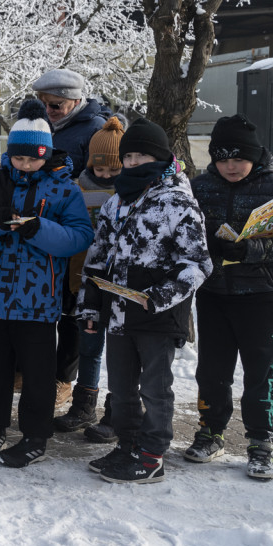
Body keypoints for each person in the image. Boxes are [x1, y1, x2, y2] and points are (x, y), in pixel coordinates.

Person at [78, 118, 212, 484]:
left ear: (160, 156)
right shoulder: (116, 201)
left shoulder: (179, 203)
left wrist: (160, 296)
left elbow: (198, 263)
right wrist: (91, 305)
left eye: (141, 155)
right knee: (120, 387)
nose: (134, 162)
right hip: (119, 313)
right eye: (129, 156)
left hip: (157, 314)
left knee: (155, 388)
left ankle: (152, 455)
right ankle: (128, 444)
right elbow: (97, 257)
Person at [0, 99, 93, 468]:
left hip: (39, 300)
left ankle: (35, 437)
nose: (25, 165)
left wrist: (39, 229)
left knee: (37, 375)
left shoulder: (65, 189)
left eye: (33, 159)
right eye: (19, 159)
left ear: (46, 155)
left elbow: (80, 236)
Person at [187, 114, 273, 480]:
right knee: (212, 370)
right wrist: (207, 244)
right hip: (213, 294)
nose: (231, 166)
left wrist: (252, 251)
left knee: (262, 373)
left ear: (254, 157)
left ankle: (260, 441)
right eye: (223, 159)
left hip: (261, 296)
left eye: (238, 159)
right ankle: (211, 432)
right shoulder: (200, 187)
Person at [32, 69, 111, 408]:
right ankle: (34, 370)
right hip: (48, 230)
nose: (50, 109)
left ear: (77, 101)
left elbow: (101, 177)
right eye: (46, 104)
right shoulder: (44, 126)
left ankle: (64, 379)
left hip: (81, 234)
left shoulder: (95, 130)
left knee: (72, 312)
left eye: (57, 104)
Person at [55, 116, 125, 437]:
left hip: (121, 283)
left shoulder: (132, 194)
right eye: (101, 170)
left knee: (123, 350)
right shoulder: (76, 188)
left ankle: (120, 408)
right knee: (89, 346)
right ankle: (84, 405)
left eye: (114, 170)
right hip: (85, 281)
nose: (107, 175)